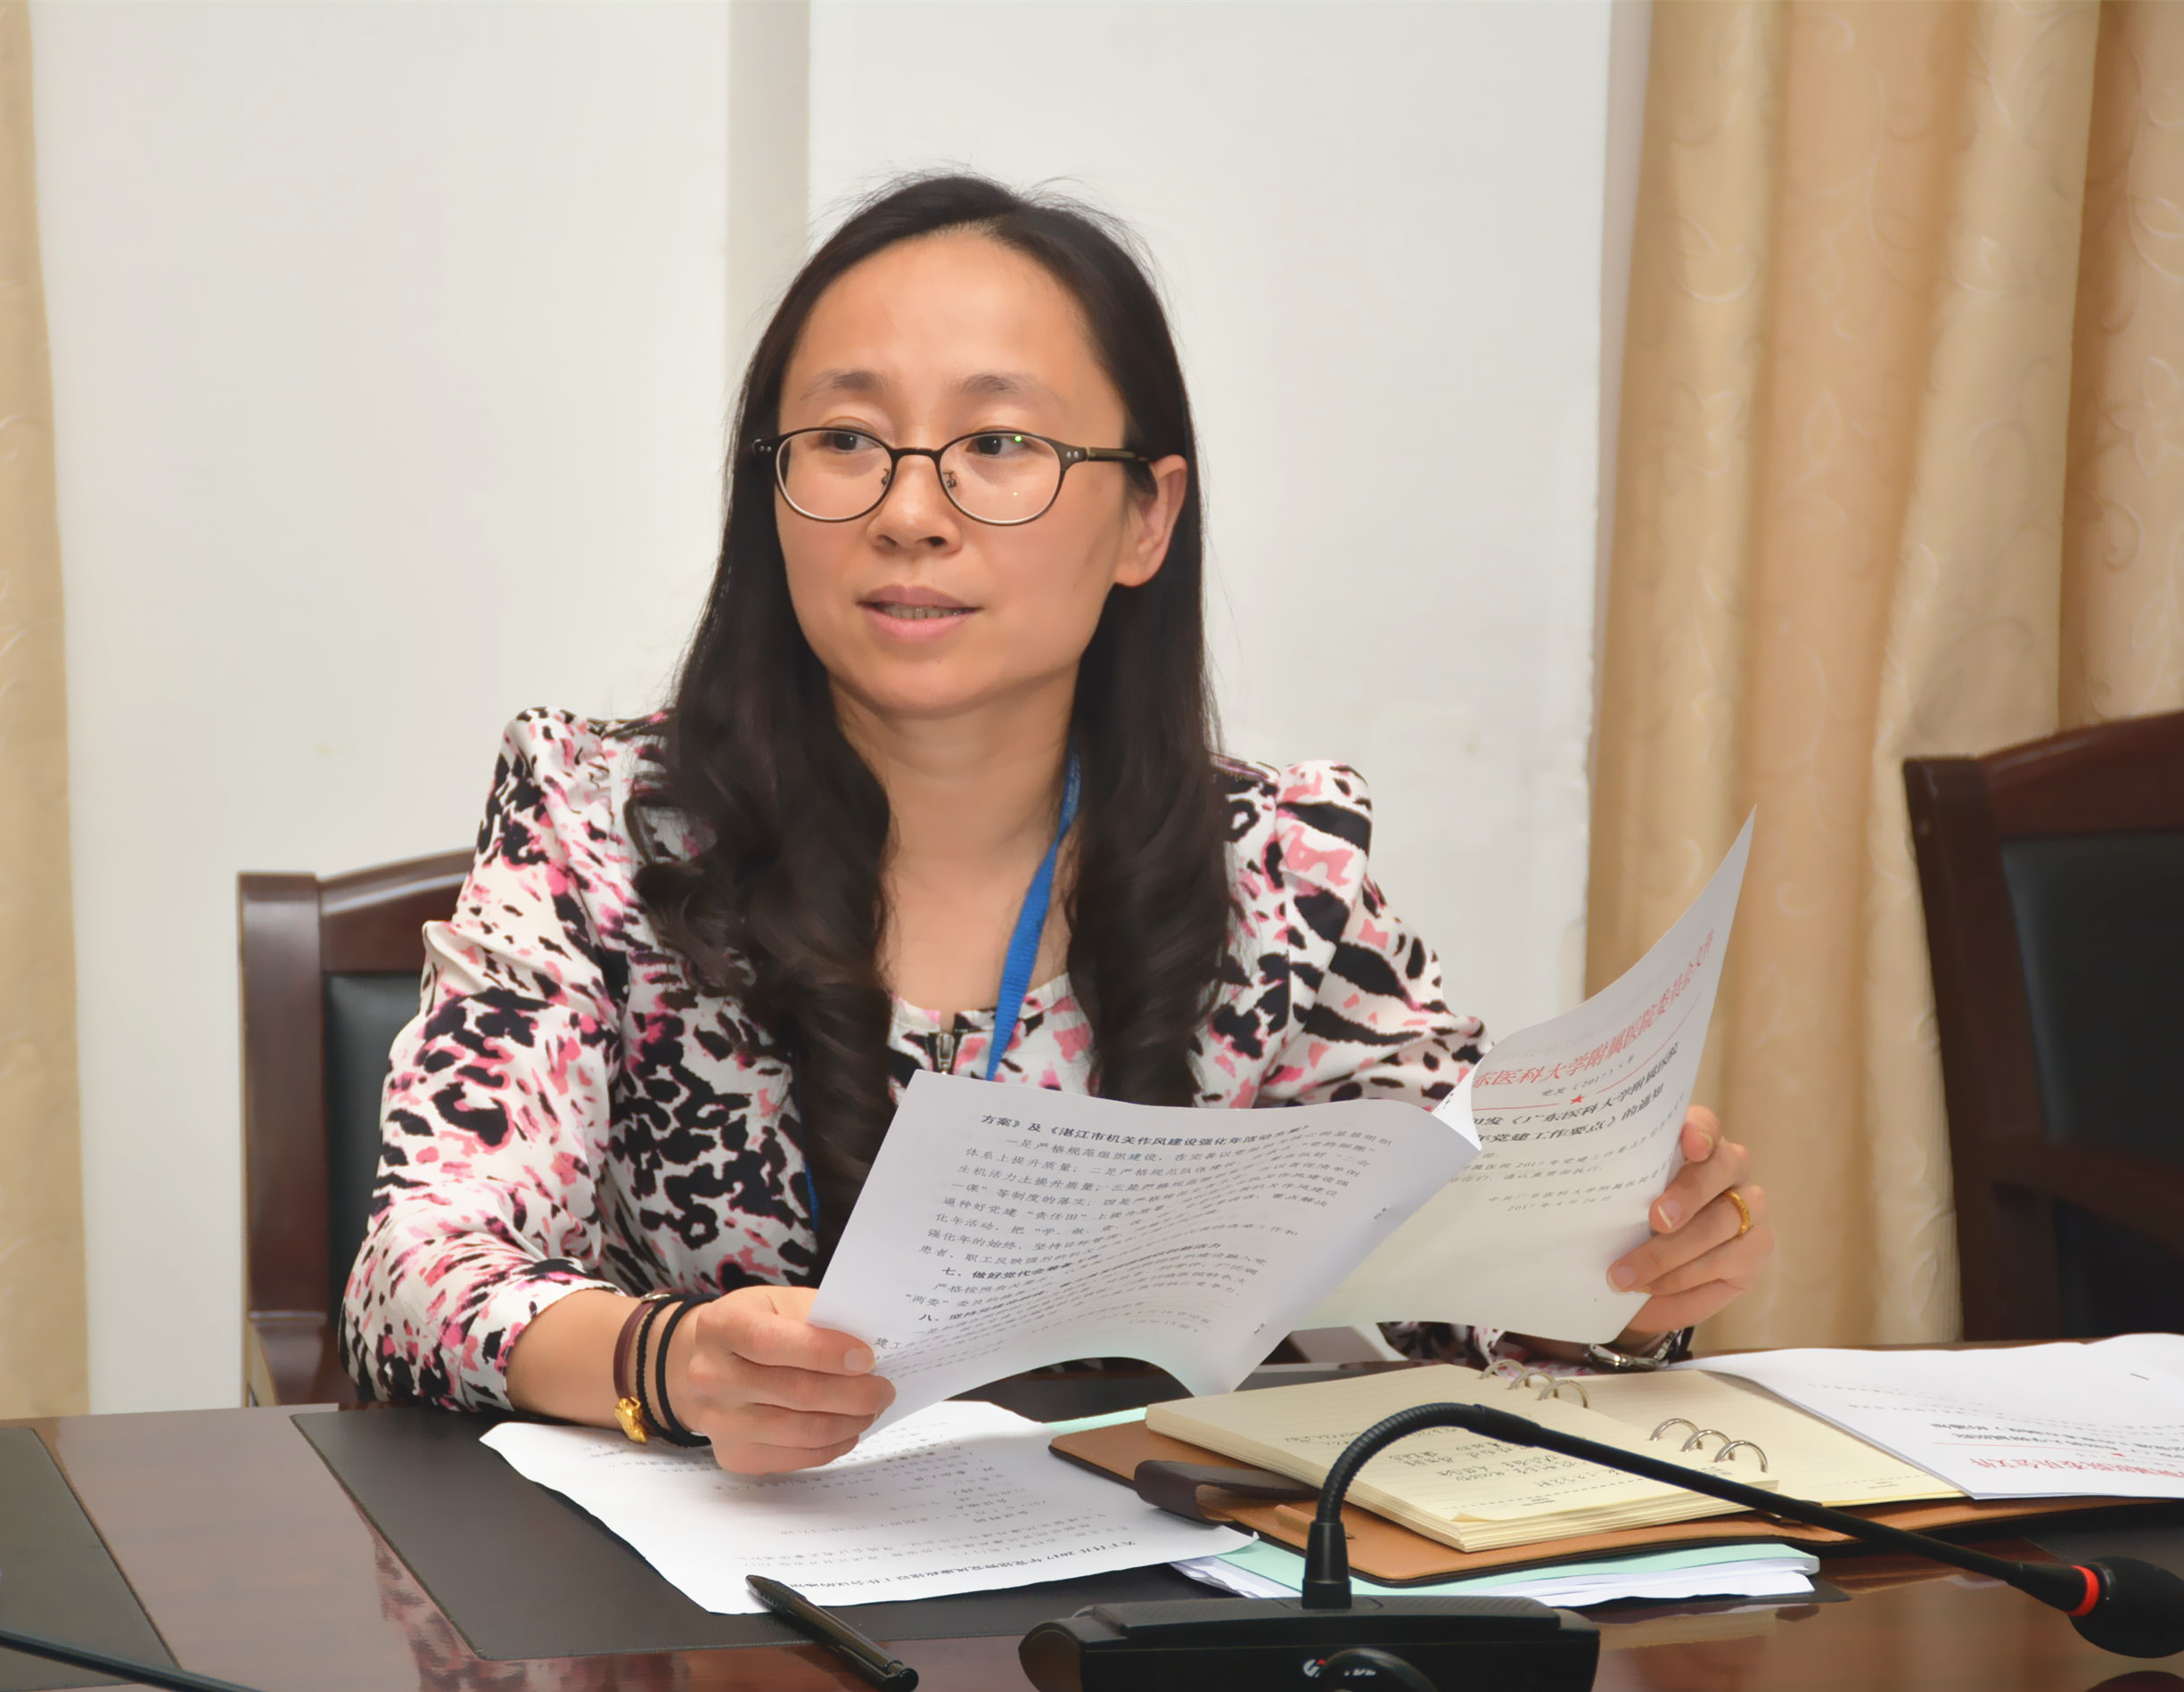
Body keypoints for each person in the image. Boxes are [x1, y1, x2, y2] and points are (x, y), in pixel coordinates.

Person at [341, 175, 1775, 1474]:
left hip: (1140, 1603)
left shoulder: (1279, 875)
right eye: (845, 440)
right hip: (712, 1611)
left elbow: (1467, 1292)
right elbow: (415, 1279)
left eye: (998, 443)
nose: (911, 511)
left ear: (1145, 518)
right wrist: (670, 1362)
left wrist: (1622, 1269)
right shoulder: (602, 828)